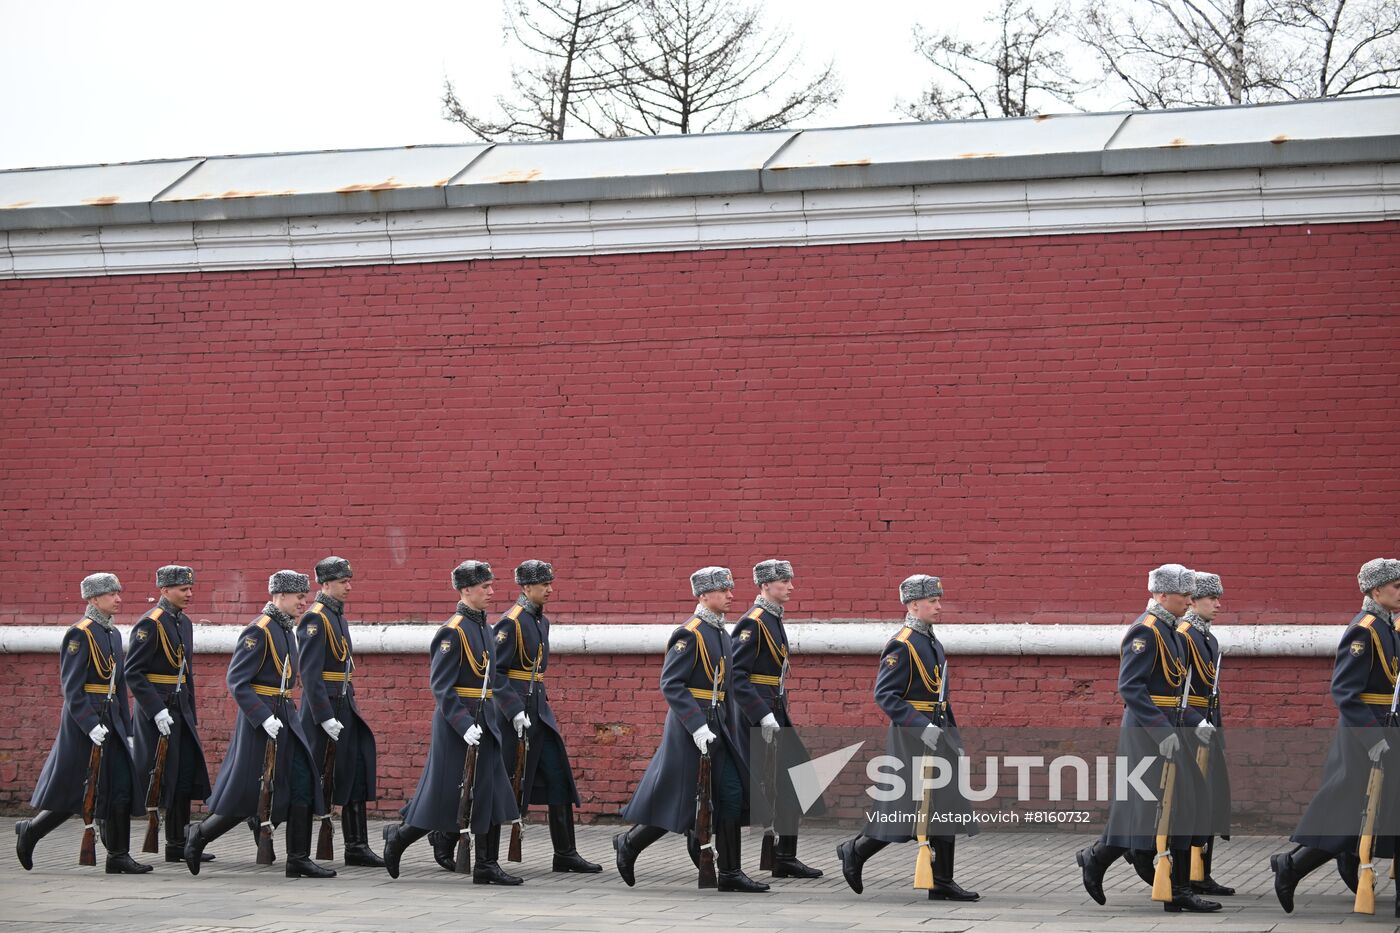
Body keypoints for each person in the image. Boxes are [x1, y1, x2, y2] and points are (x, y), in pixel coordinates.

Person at [614, 566, 771, 893]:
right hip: (691, 731)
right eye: (723, 590)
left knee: (731, 795)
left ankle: (729, 872)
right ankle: (630, 843)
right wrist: (698, 726)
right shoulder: (691, 633)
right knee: (680, 800)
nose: (730, 595)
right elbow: (671, 684)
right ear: (703, 595)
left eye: (730, 588)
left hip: (718, 729)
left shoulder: (720, 632)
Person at [1075, 563, 1217, 913]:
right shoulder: (1146, 631)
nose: (1189, 599)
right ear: (1161, 595)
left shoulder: (1172, 630)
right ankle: (1097, 857)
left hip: (1173, 727)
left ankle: (1178, 889)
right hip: (1148, 732)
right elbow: (1131, 688)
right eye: (1183, 594)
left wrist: (1191, 723)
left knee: (1186, 803)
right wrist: (1162, 730)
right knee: (1143, 807)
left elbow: (1179, 689)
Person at [382, 560, 527, 885]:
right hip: (456, 727)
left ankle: (486, 865)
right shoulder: (453, 631)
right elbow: (442, 687)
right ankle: (399, 837)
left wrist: (505, 711)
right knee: (445, 795)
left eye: (491, 585)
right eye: (484, 587)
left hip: (485, 721)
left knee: (490, 793)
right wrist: (463, 724)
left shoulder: (483, 627)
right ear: (465, 591)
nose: (491, 592)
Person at [183, 571, 335, 879]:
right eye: (298, 597)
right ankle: (199, 836)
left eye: (305, 597)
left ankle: (298, 858)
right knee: (245, 793)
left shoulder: (285, 629)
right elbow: (237, 681)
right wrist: (263, 717)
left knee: (303, 783)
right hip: (262, 722)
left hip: (285, 717)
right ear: (280, 596)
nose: (303, 603)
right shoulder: (260, 630)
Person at [836, 573, 978, 902]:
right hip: (913, 737)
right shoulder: (903, 643)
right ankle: (855, 850)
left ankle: (941, 879)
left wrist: (948, 734)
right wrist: (921, 726)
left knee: (944, 805)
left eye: (938, 600)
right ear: (914, 605)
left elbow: (938, 694)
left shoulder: (930, 640)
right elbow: (885, 695)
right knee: (905, 807)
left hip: (937, 731)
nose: (939, 606)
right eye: (933, 601)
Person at [1272, 557, 1400, 917]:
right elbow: (1345, 691)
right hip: (1367, 735)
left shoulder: (1388, 626)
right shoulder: (1366, 629)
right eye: (1396, 586)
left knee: (1379, 812)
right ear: (1377, 590)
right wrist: (1374, 737)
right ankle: (1291, 866)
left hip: (1386, 728)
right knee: (1348, 814)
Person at [16, 573, 150, 874]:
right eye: (111, 594)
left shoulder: (112, 633)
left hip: (111, 721)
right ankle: (31, 831)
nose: (118, 598)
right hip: (84, 723)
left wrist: (126, 729)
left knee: (120, 786)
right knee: (76, 789)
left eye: (118, 593)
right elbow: (72, 688)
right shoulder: (80, 634)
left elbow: (118, 685)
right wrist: (89, 723)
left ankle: (118, 855)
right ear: (93, 599)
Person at [490, 559, 600, 873]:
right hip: (514, 718)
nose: (550, 589)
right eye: (543, 585)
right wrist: (512, 711)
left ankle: (565, 853)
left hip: (539, 711)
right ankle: (449, 840)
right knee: (503, 783)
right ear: (526, 588)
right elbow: (496, 674)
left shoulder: (541, 621)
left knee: (559, 777)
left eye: (550, 583)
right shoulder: (511, 622)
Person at [732, 558, 821, 879]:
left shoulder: (772, 618)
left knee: (796, 778)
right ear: (766, 585)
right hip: (757, 718)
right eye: (784, 581)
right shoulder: (753, 622)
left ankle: (784, 856)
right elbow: (737, 677)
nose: (791, 586)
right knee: (740, 787)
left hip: (774, 710)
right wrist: (762, 716)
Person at [298, 556, 383, 867]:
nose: (349, 586)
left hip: (344, 702)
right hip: (323, 709)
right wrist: (323, 716)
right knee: (315, 776)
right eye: (342, 581)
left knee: (356, 768)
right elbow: (309, 674)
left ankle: (356, 846)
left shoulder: (337, 616)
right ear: (325, 584)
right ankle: (277, 828)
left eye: (349, 580)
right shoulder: (315, 618)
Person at [126, 565, 212, 864]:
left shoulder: (183, 622)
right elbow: (133, 673)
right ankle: (123, 836)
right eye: (182, 589)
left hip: (180, 709)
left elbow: (185, 672)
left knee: (184, 775)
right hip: (158, 712)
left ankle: (178, 843)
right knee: (159, 777)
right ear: (164, 590)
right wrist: (157, 709)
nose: (189, 594)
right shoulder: (150, 624)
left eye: (190, 588)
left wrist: (190, 711)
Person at [1175, 571, 1232, 897]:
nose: (1218, 604)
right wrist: (1196, 721)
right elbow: (1178, 688)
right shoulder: (1183, 635)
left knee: (1211, 802)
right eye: (1212, 598)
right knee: (1194, 803)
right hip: (1190, 729)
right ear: (1193, 601)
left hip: (1207, 728)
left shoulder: (1207, 638)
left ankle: (1201, 872)